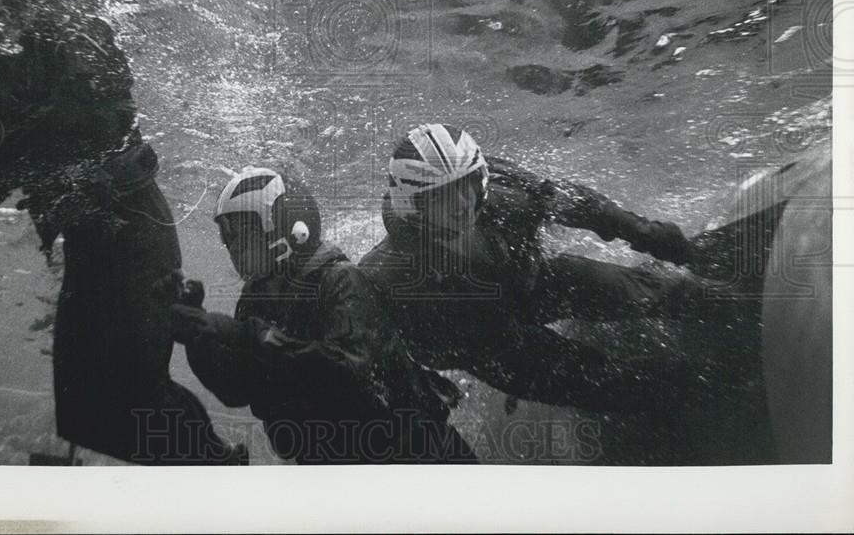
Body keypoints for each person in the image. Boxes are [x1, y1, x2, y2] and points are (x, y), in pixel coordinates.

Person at [0, 0, 244, 465]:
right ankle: (198, 468)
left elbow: (84, 122)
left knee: (135, 393)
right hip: (90, 245)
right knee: (86, 406)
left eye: (19, 18)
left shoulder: (88, 46)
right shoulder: (5, 81)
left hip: (133, 236)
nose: (8, 35)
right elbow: (2, 174)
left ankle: (217, 468)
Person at [357, 122, 710, 416]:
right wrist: (417, 384)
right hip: (490, 347)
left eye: (466, 186)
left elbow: (582, 206)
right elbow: (370, 353)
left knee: (649, 290)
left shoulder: (506, 191)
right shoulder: (386, 276)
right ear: (412, 206)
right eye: (442, 196)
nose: (463, 204)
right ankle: (691, 392)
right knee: (614, 384)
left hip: (535, 282)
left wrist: (647, 233)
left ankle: (712, 299)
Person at [169, 166, 478, 464]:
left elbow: (348, 372)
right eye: (227, 234)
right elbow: (236, 389)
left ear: (287, 226)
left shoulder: (340, 280)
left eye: (241, 232)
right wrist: (200, 336)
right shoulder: (258, 298)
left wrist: (251, 337)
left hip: (417, 458)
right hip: (333, 473)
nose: (232, 246)